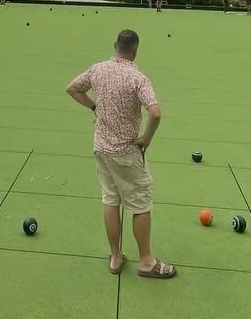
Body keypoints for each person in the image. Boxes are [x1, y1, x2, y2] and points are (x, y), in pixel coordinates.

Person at [66, 30, 175, 279]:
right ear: (135, 52)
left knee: (110, 201)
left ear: (115, 45)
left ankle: (115, 257)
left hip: (101, 149)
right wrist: (146, 137)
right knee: (140, 205)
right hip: (126, 153)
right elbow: (155, 113)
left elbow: (72, 89)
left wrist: (94, 106)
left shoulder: (97, 69)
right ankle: (146, 262)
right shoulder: (137, 77)